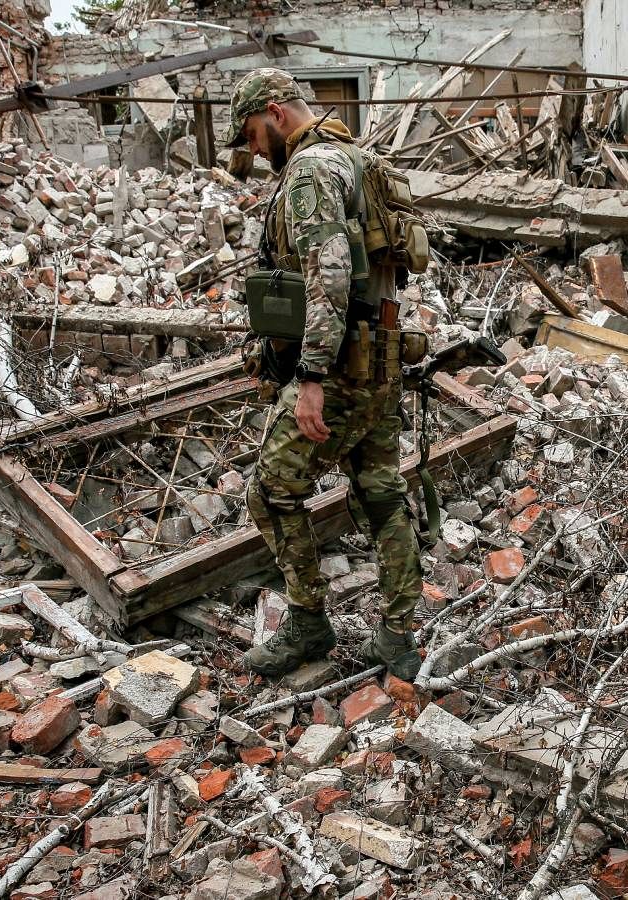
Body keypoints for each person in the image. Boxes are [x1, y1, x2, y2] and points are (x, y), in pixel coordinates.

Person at [221, 68, 423, 681]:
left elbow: (329, 276)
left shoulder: (310, 172)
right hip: (381, 356)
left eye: (253, 134)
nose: (254, 150)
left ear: (276, 113)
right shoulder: (357, 160)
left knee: (271, 492)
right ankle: (397, 638)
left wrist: (310, 377)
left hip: (338, 370)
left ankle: (308, 624)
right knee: (381, 495)